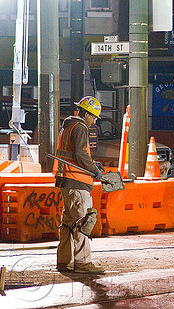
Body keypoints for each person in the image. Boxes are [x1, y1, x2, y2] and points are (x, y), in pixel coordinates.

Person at [53, 96, 106, 274]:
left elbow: (75, 153)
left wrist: (92, 163)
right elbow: (80, 153)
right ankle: (83, 263)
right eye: (93, 117)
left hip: (66, 180)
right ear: (86, 114)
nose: (94, 121)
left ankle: (65, 261)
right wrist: (94, 170)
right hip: (77, 181)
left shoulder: (69, 127)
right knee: (84, 221)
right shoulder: (81, 127)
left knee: (68, 222)